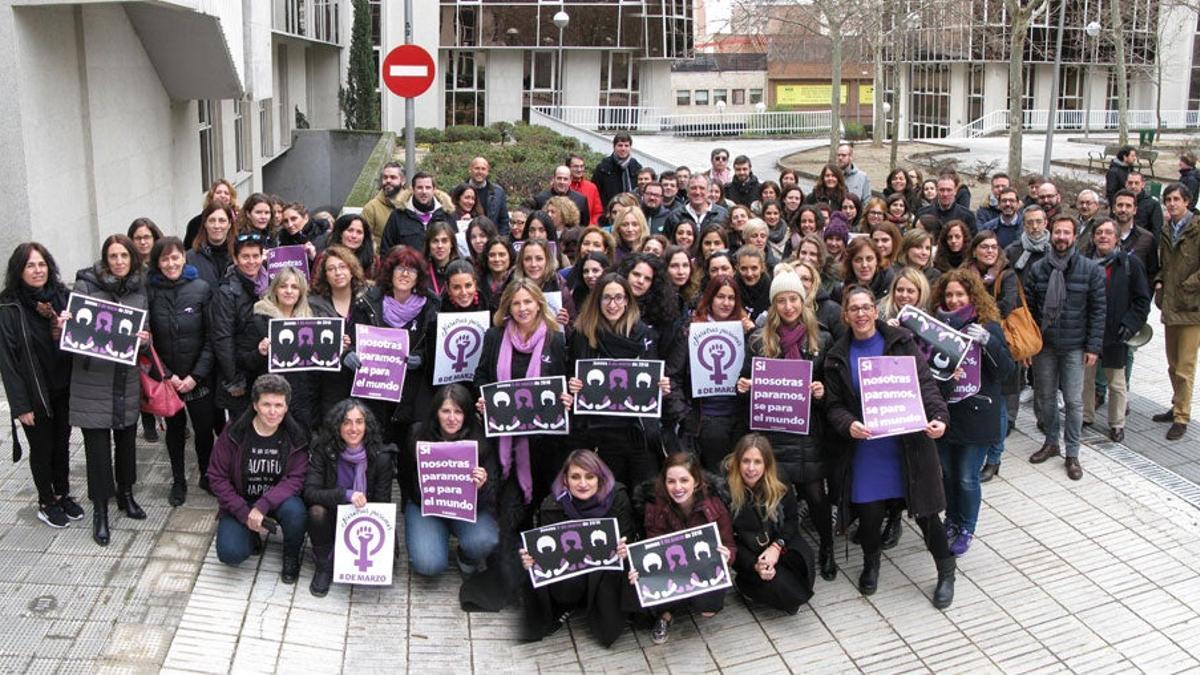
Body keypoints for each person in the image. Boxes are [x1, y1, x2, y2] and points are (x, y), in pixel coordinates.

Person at [823, 286, 956, 608]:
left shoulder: (900, 341)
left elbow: (925, 385)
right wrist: (847, 424)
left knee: (927, 517)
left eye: (867, 307)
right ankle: (871, 563)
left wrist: (939, 416)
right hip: (868, 449)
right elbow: (833, 405)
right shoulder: (837, 355)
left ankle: (946, 570)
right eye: (854, 308)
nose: (861, 314)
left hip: (907, 445)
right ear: (846, 314)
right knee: (869, 517)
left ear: (876, 311)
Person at [736, 264, 838, 580]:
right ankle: (782, 547)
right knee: (777, 496)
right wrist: (744, 388)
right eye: (781, 301)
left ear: (803, 299)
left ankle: (827, 547)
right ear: (774, 304)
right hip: (772, 431)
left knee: (816, 495)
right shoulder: (757, 340)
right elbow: (746, 383)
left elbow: (833, 387)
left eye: (793, 299)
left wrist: (821, 392)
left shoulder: (821, 337)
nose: (789, 306)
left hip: (807, 431)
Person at [68, 235, 151, 545]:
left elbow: (146, 330)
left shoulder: (139, 288)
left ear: (132, 259)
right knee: (98, 450)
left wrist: (145, 339)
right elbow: (73, 334)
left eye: (124, 256)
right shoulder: (86, 287)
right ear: (105, 259)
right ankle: (100, 509)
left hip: (125, 379)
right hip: (94, 381)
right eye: (113, 256)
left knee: (127, 442)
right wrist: (66, 326)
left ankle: (126, 494)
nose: (118, 262)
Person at [929, 270, 1014, 556]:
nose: (953, 300)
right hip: (946, 413)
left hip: (977, 413)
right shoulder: (936, 326)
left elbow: (1006, 370)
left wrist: (988, 342)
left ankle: (967, 527)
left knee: (967, 476)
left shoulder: (988, 325)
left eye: (960, 295)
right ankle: (951, 520)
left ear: (972, 296)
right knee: (949, 474)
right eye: (949, 295)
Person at [520, 450, 634, 645]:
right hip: (573, 571)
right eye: (575, 477)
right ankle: (570, 604)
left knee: (611, 614)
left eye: (590, 477)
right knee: (560, 588)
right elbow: (547, 553)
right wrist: (531, 559)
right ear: (565, 479)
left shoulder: (618, 497)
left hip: (606, 570)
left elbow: (628, 535)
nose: (582, 484)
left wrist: (625, 548)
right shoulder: (552, 504)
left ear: (600, 478)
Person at [0, 243, 78, 528]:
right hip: (35, 394)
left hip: (63, 387)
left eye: (42, 264)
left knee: (62, 444)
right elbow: (8, 362)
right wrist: (20, 406)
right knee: (42, 448)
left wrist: (70, 325)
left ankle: (62, 492)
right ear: (19, 271)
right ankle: (46, 501)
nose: (37, 270)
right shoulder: (9, 307)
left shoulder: (62, 297)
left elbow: (82, 338)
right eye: (30, 265)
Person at [568, 274, 670, 488]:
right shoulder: (582, 334)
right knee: (610, 494)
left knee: (644, 495)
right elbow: (571, 376)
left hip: (637, 432)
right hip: (598, 433)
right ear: (597, 300)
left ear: (627, 301)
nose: (612, 304)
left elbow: (654, 376)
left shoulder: (644, 334)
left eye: (618, 298)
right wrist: (572, 385)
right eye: (606, 298)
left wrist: (662, 387)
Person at [1026, 215, 1106, 478]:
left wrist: (1093, 347)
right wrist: (1028, 346)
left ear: (1074, 236)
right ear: (1051, 235)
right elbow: (1027, 311)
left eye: (1066, 233)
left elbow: (1098, 311)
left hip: (1075, 346)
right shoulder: (1038, 269)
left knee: (1074, 402)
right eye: (1057, 232)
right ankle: (1051, 442)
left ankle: (1072, 453)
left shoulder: (1090, 269)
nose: (1061, 237)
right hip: (1044, 346)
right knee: (1045, 397)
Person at [208, 374, 309, 582]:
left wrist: (263, 505)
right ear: (255, 405)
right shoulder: (235, 431)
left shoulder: (295, 434)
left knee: (297, 512)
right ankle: (251, 532)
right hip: (241, 500)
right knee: (230, 553)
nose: (273, 412)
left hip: (276, 501)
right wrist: (244, 513)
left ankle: (291, 555)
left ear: (286, 407)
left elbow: (296, 478)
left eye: (279, 405)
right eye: (266, 404)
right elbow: (216, 476)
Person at [633, 452, 735, 645]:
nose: (678, 487)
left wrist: (727, 556)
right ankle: (667, 614)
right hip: (671, 568)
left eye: (684, 480)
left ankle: (679, 603)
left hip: (702, 568)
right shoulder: (655, 505)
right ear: (664, 482)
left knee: (708, 608)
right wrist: (641, 570)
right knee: (640, 603)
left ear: (696, 481)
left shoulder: (714, 503)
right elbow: (652, 548)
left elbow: (729, 544)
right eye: (671, 481)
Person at [147, 237, 217, 505]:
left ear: (184, 258)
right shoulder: (150, 292)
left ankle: (207, 474)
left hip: (197, 378)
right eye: (164, 259)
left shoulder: (201, 288)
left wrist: (195, 376)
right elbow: (148, 340)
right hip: (168, 380)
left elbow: (212, 338)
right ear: (157, 262)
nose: (171, 263)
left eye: (175, 257)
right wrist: (167, 375)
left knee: (203, 429)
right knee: (174, 433)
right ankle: (178, 480)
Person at [301, 399, 395, 597]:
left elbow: (382, 503)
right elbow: (310, 492)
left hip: (365, 521)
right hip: (332, 515)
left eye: (359, 422)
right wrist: (346, 494)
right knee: (316, 512)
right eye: (346, 422)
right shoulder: (323, 450)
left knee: (385, 565)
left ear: (367, 425)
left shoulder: (382, 457)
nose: (354, 428)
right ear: (337, 426)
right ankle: (323, 565)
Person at [402, 384, 498, 576]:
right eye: (445, 411)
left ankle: (466, 554)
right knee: (429, 565)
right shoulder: (417, 434)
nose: (452, 418)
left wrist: (481, 486)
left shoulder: (481, 439)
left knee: (486, 540)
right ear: (436, 412)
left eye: (458, 412)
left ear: (467, 414)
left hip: (468, 508)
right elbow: (404, 479)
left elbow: (493, 492)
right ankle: (433, 537)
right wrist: (424, 487)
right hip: (424, 507)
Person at [347, 246, 438, 442]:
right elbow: (352, 340)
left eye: (411, 270)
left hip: (413, 394)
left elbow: (436, 349)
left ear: (418, 276)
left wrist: (422, 357)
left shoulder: (431, 307)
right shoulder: (368, 303)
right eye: (399, 268)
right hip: (376, 393)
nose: (405, 274)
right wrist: (349, 354)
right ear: (390, 272)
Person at [725, 434, 815, 614]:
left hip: (777, 539)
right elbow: (728, 540)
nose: (751, 468)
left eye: (757, 462)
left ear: (766, 464)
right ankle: (746, 584)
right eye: (746, 461)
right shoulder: (724, 488)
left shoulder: (779, 478)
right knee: (783, 592)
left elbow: (791, 520)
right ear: (737, 462)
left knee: (802, 563)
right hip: (748, 550)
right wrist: (754, 564)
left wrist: (776, 547)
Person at [1083, 219, 1150, 443]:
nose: (1103, 236)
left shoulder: (1130, 264)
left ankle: (1116, 424)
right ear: (1093, 237)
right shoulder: (1084, 263)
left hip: (1116, 334)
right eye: (1099, 232)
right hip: (1089, 333)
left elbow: (1142, 301)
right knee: (1087, 379)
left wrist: (1130, 326)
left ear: (1117, 238)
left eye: (1108, 233)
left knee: (1116, 383)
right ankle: (1086, 416)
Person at [962, 230, 1022, 480]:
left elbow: (1007, 306)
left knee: (998, 406)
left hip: (999, 341)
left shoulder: (1006, 274)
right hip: (968, 344)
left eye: (993, 247)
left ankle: (995, 458)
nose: (989, 251)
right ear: (974, 249)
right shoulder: (964, 273)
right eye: (984, 246)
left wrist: (980, 314)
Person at [687, 275, 753, 471]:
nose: (726, 303)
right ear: (710, 298)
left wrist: (753, 333)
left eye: (731, 298)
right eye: (720, 297)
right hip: (709, 417)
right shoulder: (692, 328)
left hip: (740, 415)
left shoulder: (747, 329)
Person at [1153, 183, 1200, 440]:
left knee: (1185, 365)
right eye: (1167, 199)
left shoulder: (1197, 228)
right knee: (1172, 364)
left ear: (1187, 202)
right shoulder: (1167, 228)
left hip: (1193, 308)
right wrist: (1160, 281)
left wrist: (1186, 286)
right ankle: (1176, 404)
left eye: (1175, 199)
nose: (1171, 204)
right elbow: (1165, 264)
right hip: (1171, 306)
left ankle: (1182, 416)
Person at [251, 267, 319, 429]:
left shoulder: (311, 321)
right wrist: (259, 352)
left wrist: (337, 347)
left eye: (294, 287)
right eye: (283, 286)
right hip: (269, 398)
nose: (289, 291)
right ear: (275, 289)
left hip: (301, 398)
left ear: (301, 292)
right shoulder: (258, 319)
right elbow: (245, 360)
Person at [211, 235, 269, 424]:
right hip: (241, 372)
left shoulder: (270, 284)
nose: (251, 262)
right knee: (242, 429)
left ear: (263, 256)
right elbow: (222, 338)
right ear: (235, 259)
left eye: (255, 256)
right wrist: (233, 378)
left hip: (264, 368)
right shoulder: (227, 292)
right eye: (245, 257)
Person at [381, 172, 452, 253]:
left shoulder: (446, 215)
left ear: (434, 190)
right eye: (419, 187)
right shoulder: (398, 216)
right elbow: (386, 249)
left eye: (428, 187)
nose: (424, 191)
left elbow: (455, 249)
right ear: (413, 189)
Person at [1112, 189, 1158, 279]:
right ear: (1114, 209)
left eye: (1128, 206)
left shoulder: (1147, 239)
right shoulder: (1102, 235)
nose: (1123, 209)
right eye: (1120, 205)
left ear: (1135, 210)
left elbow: (1152, 273)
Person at [187, 204, 236, 288]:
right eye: (212, 220)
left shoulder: (239, 256)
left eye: (222, 221)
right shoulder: (190, 257)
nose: (216, 226)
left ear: (229, 224)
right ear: (205, 224)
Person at [664, 174, 728, 233]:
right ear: (687, 192)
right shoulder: (674, 216)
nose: (697, 192)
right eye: (693, 188)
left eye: (702, 188)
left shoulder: (722, 215)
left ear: (708, 191)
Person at [184, 179, 237, 250]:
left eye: (226, 193)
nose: (222, 195)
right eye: (218, 192)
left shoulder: (238, 221)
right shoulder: (195, 223)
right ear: (211, 196)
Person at [362, 162, 406, 246]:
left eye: (393, 177)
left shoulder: (411, 205)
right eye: (385, 177)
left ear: (403, 181)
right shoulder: (371, 208)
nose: (388, 181)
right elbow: (364, 238)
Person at [465, 157, 511, 236]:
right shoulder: (458, 191)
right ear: (470, 169)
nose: (480, 172)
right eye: (477, 168)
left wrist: (500, 241)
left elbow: (504, 221)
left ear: (487, 172)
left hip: (492, 240)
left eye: (483, 169)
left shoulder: (498, 192)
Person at [1004, 205, 1050, 286]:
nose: (1035, 226)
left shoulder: (1054, 248)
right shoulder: (1011, 251)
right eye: (1030, 222)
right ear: (1024, 225)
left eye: (1039, 221)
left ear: (1045, 223)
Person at [592, 134, 642, 207]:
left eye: (626, 145)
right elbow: (595, 193)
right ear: (614, 147)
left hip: (631, 212)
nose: (623, 149)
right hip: (610, 211)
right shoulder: (603, 167)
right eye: (620, 145)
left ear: (630, 147)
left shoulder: (636, 167)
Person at [324, 213, 377, 278]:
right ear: (340, 233)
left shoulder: (373, 262)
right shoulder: (325, 257)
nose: (354, 236)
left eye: (359, 232)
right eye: (350, 230)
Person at [423, 221, 461, 298]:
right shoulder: (422, 270)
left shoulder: (461, 269)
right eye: (435, 241)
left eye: (444, 241)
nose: (440, 246)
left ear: (452, 244)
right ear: (429, 245)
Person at [735, 245, 772, 323]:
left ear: (762, 268)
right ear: (737, 268)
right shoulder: (731, 289)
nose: (749, 274)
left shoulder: (771, 291)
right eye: (744, 268)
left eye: (754, 268)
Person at [1128, 172, 1164, 241]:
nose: (1133, 186)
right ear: (1126, 184)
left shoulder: (1152, 204)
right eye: (1130, 183)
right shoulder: (1120, 201)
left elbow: (1157, 229)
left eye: (1136, 183)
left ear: (1143, 184)